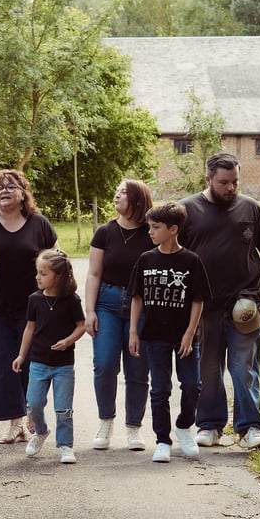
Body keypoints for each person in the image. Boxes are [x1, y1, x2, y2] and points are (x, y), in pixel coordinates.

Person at [180, 152, 260, 450]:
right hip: (204, 306)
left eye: (235, 181)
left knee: (243, 367)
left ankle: (250, 428)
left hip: (245, 305)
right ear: (208, 179)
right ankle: (209, 425)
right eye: (224, 182)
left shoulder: (252, 209)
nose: (231, 188)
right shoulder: (187, 210)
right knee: (208, 369)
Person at [0, 169, 58, 444]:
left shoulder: (39, 224)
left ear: (22, 193)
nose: (4, 191)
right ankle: (14, 422)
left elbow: (55, 263)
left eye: (10, 186)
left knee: (32, 362)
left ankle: (32, 412)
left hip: (33, 308)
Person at [127, 202, 212, 463]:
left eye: (155, 227)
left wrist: (189, 333)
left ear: (173, 229)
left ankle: (184, 426)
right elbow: (137, 297)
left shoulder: (191, 261)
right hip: (154, 337)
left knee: (192, 385)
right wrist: (133, 331)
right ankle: (162, 440)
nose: (150, 232)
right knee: (160, 389)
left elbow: (198, 299)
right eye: (149, 227)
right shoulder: (146, 259)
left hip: (184, 338)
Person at [84, 179, 154, 452]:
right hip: (107, 303)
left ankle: (133, 428)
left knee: (138, 368)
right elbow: (93, 273)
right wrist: (89, 310)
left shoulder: (152, 232)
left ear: (137, 199)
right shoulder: (105, 232)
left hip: (142, 305)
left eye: (123, 192)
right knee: (104, 363)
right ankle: (105, 421)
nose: (116, 194)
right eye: (116, 190)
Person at [12, 249, 86, 464]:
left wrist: (68, 341)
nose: (37, 277)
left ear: (59, 276)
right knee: (34, 403)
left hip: (63, 365)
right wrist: (21, 356)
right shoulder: (34, 300)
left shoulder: (71, 300)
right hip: (38, 363)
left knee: (64, 408)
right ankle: (41, 431)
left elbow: (81, 326)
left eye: (43, 273)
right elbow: (29, 329)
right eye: (37, 272)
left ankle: (65, 445)